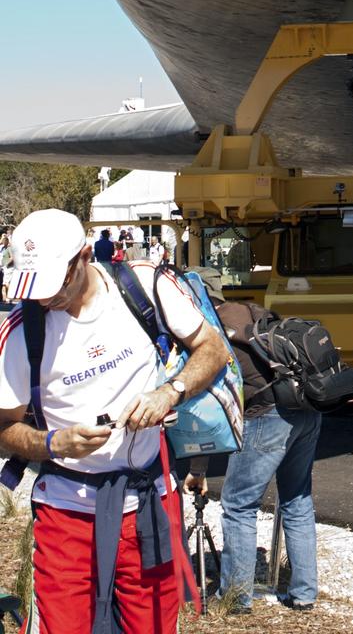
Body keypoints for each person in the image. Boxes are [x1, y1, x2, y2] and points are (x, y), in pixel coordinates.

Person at [0, 207, 229, 633]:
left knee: (153, 625)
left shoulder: (143, 285)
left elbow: (212, 349)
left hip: (149, 498)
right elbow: (2, 429)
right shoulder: (21, 330)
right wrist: (54, 444)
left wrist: (170, 392)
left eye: (55, 284)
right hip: (66, 508)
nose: (46, 299)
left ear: (85, 255)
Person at [185, 271, 322, 612]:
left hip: (266, 414)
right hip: (306, 408)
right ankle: (304, 593)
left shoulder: (207, 331)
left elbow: (206, 406)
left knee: (238, 505)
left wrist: (198, 469)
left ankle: (235, 598)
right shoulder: (251, 311)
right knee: (297, 498)